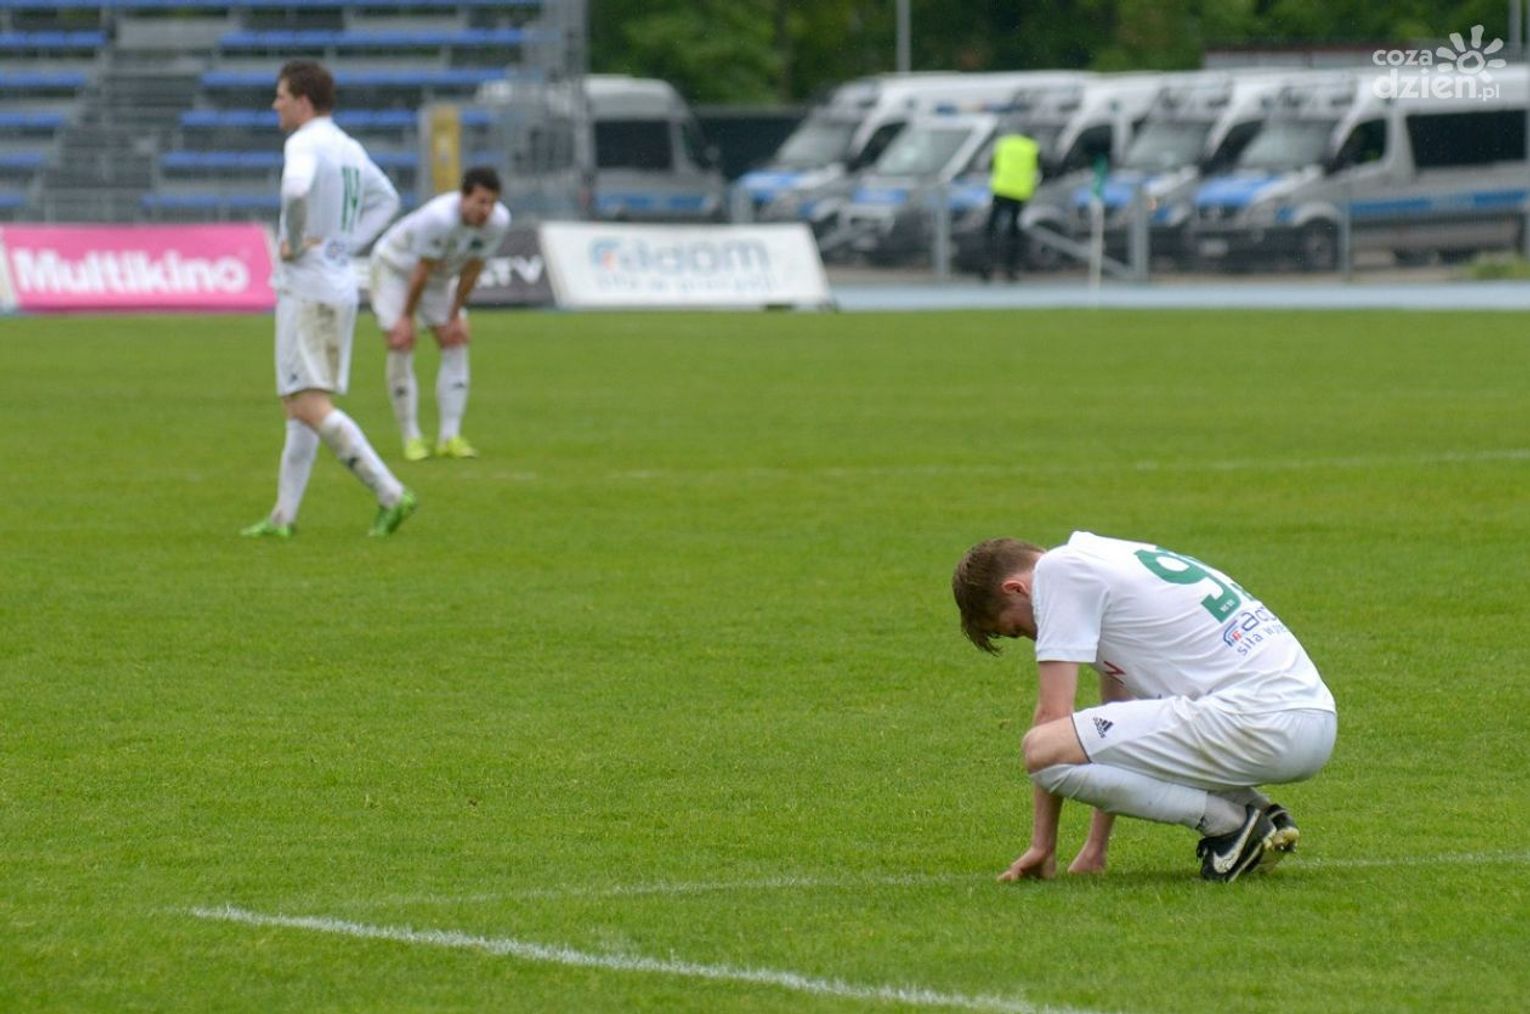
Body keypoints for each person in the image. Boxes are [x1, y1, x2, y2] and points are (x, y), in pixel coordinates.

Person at [952, 532, 1337, 882]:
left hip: (1260, 720)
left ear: (1016, 589)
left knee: (1040, 748)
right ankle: (1257, 813)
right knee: (1065, 743)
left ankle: (1230, 825)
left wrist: (1043, 847)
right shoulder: (1103, 560)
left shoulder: (1058, 572)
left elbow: (1051, 722)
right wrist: (1095, 848)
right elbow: (1114, 729)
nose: (1032, 638)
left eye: (1017, 629)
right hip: (1308, 720)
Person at [242, 59, 416, 539]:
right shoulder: (349, 147)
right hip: (334, 282)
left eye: (280, 96)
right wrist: (345, 244)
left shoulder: (304, 143)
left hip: (309, 287)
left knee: (309, 403)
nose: (274, 105)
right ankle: (283, 517)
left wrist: (296, 242)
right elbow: (387, 199)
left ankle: (391, 493)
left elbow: (296, 189)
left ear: (302, 101)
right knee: (298, 401)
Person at [369, 166, 512, 461]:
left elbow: (472, 270)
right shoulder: (439, 218)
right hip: (395, 270)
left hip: (437, 278)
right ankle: (412, 439)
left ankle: (450, 437)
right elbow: (419, 272)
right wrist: (406, 318)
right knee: (402, 342)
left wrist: (454, 314)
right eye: (481, 201)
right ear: (464, 197)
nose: (486, 210)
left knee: (455, 338)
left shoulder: (498, 222)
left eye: (492, 202)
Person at [982, 131, 1039, 282]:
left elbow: (991, 165)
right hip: (1019, 193)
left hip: (1000, 190)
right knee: (1013, 231)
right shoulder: (1032, 147)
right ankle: (1011, 268)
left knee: (992, 229)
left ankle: (987, 265)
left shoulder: (1003, 143)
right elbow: (1039, 170)